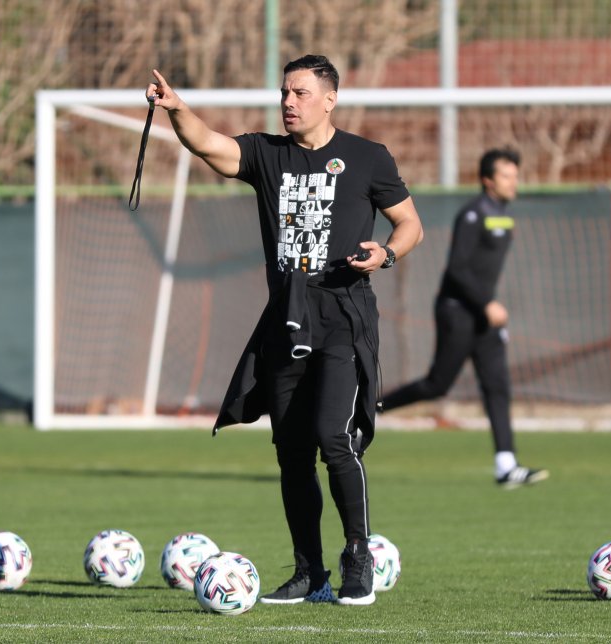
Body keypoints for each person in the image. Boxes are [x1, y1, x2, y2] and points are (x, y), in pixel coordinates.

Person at [148, 54, 423, 606]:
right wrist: (178, 110)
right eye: (283, 94)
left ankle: (357, 556)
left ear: (330, 98)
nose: (288, 103)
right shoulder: (266, 153)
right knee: (291, 452)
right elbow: (208, 144)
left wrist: (387, 254)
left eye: (299, 93)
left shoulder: (369, 158)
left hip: (344, 317)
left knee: (333, 438)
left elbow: (410, 223)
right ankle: (308, 571)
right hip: (287, 320)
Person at [379, 148, 548, 489]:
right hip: (458, 311)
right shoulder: (474, 214)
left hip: (484, 317)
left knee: (497, 386)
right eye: (506, 176)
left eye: (516, 175)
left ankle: (507, 465)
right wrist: (487, 302)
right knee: (437, 384)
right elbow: (456, 269)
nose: (514, 182)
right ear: (487, 181)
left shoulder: (503, 213)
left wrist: (487, 306)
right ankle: (369, 408)